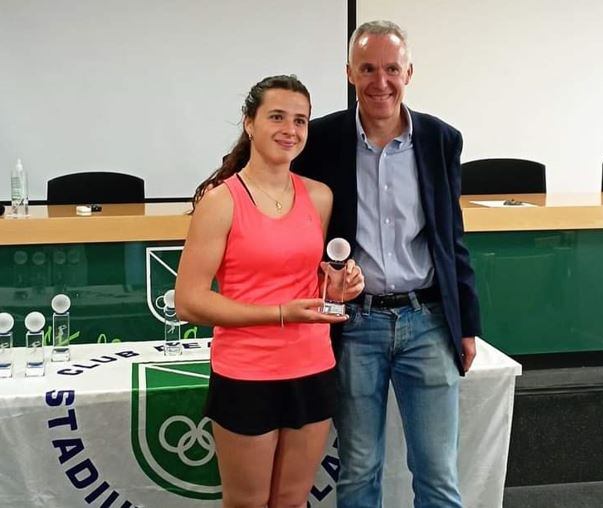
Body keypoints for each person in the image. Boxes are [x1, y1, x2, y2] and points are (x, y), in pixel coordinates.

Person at [292, 21, 482, 508]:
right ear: (350, 73)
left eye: (392, 68)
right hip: (355, 325)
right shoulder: (319, 140)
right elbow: (297, 228)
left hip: (427, 322)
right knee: (359, 469)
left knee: (437, 472)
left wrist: (466, 324)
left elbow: (451, 238)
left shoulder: (441, 139)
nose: (381, 81)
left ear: (409, 72)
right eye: (368, 68)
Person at [175, 75, 364, 508]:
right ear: (249, 123)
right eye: (276, 116)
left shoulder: (319, 197)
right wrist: (280, 313)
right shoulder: (221, 201)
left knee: (293, 500)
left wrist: (342, 284)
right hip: (247, 373)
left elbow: (311, 280)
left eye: (301, 120)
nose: (290, 130)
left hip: (312, 366)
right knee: (248, 503)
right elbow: (189, 301)